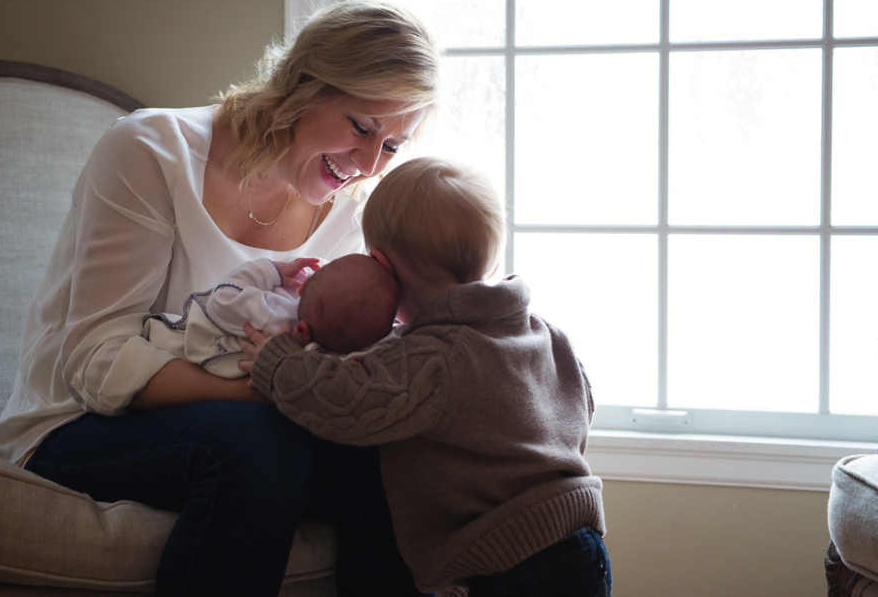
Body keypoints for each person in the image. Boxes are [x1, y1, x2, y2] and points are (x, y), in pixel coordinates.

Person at [0, 0, 440, 597]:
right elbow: (95, 361)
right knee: (255, 445)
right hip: (74, 424)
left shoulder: (356, 211)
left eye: (390, 146)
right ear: (304, 84)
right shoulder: (153, 151)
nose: (366, 163)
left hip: (255, 413)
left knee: (394, 456)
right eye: (362, 126)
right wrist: (261, 391)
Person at [240, 157, 611, 596]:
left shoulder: (433, 356)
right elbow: (582, 401)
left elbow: (350, 402)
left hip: (509, 559)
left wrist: (279, 362)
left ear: (382, 267)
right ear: (489, 265)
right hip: (583, 540)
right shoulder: (544, 332)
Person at [143, 253, 399, 377]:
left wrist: (270, 270)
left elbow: (223, 298)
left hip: (176, 347)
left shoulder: (273, 312)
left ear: (305, 285)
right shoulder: (324, 363)